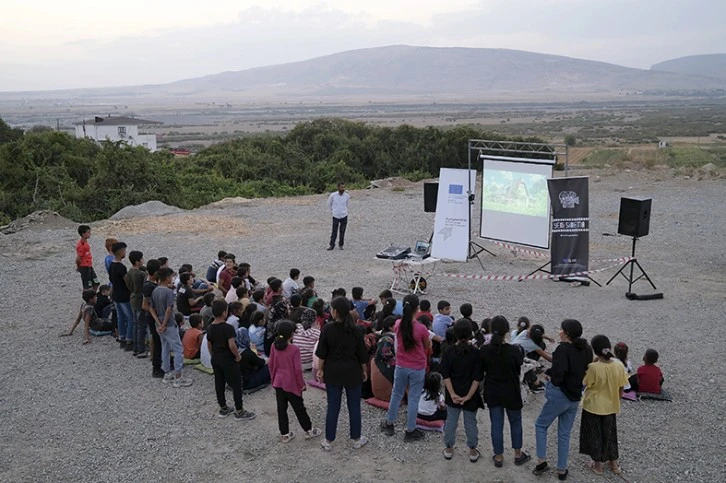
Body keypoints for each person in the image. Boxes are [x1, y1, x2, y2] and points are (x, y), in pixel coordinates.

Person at [533, 319, 593, 480]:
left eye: (561, 329)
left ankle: (541, 460)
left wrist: (550, 376)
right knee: (564, 433)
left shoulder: (562, 349)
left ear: (566, 333)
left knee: (541, 425)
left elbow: (559, 374)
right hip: (575, 396)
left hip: (560, 395)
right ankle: (561, 469)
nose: (559, 331)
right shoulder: (586, 349)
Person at [315, 296, 368, 451]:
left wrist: (320, 369)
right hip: (353, 371)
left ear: (335, 311)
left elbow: (322, 353)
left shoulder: (327, 329)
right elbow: (362, 354)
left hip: (333, 372)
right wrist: (364, 370)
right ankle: (356, 438)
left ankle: (328, 439)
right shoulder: (357, 330)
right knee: (354, 406)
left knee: (333, 406)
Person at [480, 315, 531, 468]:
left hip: (493, 391)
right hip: (512, 391)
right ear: (507, 331)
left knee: (496, 424)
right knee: (515, 422)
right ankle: (517, 454)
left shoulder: (484, 350)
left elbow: (482, 370)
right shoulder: (514, 351)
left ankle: (499, 456)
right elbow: (518, 369)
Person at [381, 294, 430, 442]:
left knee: (396, 394)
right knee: (414, 398)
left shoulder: (397, 324)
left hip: (401, 365)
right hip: (417, 367)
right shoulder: (421, 329)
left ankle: (390, 423)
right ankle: (410, 429)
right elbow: (427, 346)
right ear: (417, 308)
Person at [579, 335, 629, 476]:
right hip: (611, 405)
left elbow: (586, 383)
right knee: (610, 434)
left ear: (595, 351)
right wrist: (616, 400)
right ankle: (613, 462)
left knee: (595, 434)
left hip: (593, 406)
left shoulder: (594, 367)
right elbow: (621, 386)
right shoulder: (619, 365)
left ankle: (597, 465)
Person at [269, 320, 323, 442]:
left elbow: (271, 365)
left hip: (278, 381)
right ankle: (308, 430)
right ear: (292, 334)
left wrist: (273, 379)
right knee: (299, 408)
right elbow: (297, 370)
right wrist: (302, 384)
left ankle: (285, 434)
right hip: (291, 383)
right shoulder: (294, 349)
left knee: (281, 409)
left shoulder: (274, 346)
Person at [440, 319, 482, 462]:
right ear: (470, 334)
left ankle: (449, 448)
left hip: (453, 394)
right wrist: (469, 396)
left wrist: (452, 394)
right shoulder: (476, 353)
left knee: (451, 422)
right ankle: (472, 451)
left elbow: (446, 375)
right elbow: (477, 378)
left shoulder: (448, 352)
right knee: (470, 423)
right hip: (471, 395)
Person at [207, 299, 256, 421]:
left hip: (216, 358)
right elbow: (232, 345)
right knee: (236, 384)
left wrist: (213, 355)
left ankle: (223, 408)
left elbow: (209, 344)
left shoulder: (210, 327)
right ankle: (239, 411)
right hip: (228, 359)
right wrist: (237, 356)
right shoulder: (227, 328)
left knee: (219, 383)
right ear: (225, 312)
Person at [151, 267, 192, 387]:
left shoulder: (155, 290)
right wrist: (163, 324)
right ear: (167, 278)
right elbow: (169, 310)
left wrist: (158, 323)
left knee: (165, 347)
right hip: (168, 324)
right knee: (178, 348)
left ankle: (167, 373)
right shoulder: (168, 292)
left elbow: (151, 309)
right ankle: (179, 376)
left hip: (158, 323)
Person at [108, 242, 135, 351]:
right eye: (124, 250)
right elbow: (127, 282)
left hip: (115, 294)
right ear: (120, 252)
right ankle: (129, 340)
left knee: (120, 317)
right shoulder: (121, 267)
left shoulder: (111, 265)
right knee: (130, 318)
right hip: (124, 295)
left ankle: (121, 337)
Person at [141, 259, 164, 377]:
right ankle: (156, 367)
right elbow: (146, 305)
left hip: (156, 317)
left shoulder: (151, 283)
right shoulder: (149, 286)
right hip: (154, 318)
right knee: (158, 341)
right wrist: (157, 319)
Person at [235, 326, 271, 393]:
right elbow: (262, 362)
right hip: (247, 383)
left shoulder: (234, 350)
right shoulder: (247, 353)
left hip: (236, 380)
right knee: (269, 366)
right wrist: (255, 352)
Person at [125, 250, 147, 356]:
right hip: (139, 300)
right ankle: (141, 348)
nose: (143, 260)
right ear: (137, 261)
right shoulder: (141, 274)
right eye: (142, 259)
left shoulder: (129, 273)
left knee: (135, 324)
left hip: (132, 298)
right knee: (141, 325)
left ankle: (135, 347)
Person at [372, 316, 397, 401]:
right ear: (390, 327)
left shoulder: (384, 335)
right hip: (385, 368)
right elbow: (385, 353)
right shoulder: (388, 338)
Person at [327, 182, 350, 250]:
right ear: (338, 187)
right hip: (336, 216)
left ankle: (341, 244)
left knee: (342, 231)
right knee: (334, 231)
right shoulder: (333, 195)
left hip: (344, 215)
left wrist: (344, 211)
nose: (343, 189)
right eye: (342, 187)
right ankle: (332, 245)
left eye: (344, 187)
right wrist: (333, 211)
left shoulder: (347, 196)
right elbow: (329, 204)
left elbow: (347, 204)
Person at [75, 225, 99, 291]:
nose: (90, 234)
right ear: (83, 234)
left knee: (96, 283)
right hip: (84, 267)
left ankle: (93, 296)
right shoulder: (81, 245)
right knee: (87, 285)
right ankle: (88, 298)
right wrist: (78, 266)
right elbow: (78, 258)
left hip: (89, 266)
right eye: (88, 232)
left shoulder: (85, 243)